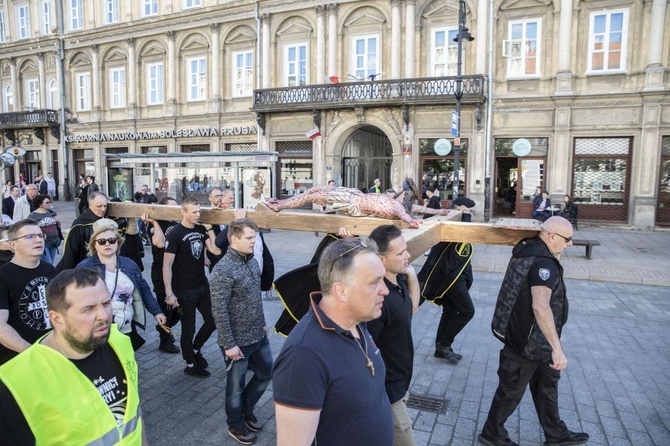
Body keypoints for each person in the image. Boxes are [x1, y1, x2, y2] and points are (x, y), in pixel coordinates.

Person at [0, 268, 146, 444]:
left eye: (106, 303)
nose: (104, 316)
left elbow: (134, 412)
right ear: (57, 319)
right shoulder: (15, 383)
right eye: (88, 309)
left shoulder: (120, 341)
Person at [272, 237, 394, 446]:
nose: (385, 290)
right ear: (341, 291)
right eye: (374, 282)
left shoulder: (358, 321)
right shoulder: (303, 355)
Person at [478, 217, 588, 446]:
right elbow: (540, 306)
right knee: (510, 391)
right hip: (526, 341)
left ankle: (556, 434)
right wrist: (558, 349)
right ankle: (492, 434)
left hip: (538, 340)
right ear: (551, 237)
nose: (570, 244)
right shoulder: (543, 264)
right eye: (567, 239)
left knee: (547, 385)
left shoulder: (528, 249)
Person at [211, 218, 273, 445]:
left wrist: (263, 323)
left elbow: (255, 299)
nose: (253, 242)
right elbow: (218, 309)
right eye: (249, 238)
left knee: (266, 373)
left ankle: (246, 410)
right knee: (235, 388)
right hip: (237, 343)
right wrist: (229, 344)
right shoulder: (223, 270)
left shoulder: (252, 262)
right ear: (234, 239)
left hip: (258, 334)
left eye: (254, 237)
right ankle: (235, 425)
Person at [76, 219, 166, 350]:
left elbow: (143, 288)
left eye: (112, 240)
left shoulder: (129, 265)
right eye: (102, 241)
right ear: (94, 244)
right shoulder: (84, 268)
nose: (107, 244)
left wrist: (157, 312)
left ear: (118, 242)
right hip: (98, 330)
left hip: (125, 329)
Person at [367, 225, 420, 446]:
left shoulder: (398, 281)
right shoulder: (377, 299)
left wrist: (411, 275)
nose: (407, 256)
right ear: (381, 260)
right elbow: (366, 351)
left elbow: (412, 308)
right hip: (387, 388)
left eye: (405, 249)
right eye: (400, 253)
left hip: (402, 380)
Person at [163, 196, 220, 377]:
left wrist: (209, 229)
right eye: (194, 212)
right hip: (184, 289)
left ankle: (196, 349)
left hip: (202, 285)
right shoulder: (175, 234)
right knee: (189, 328)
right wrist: (169, 293)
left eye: (199, 212)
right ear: (183, 212)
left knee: (213, 320)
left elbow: (215, 250)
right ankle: (190, 364)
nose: (197, 215)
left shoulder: (200, 229)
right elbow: (167, 266)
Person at [419, 198, 476, 364]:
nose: (470, 214)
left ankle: (440, 349)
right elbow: (462, 233)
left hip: (454, 276)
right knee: (467, 311)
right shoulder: (451, 222)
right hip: (449, 278)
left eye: (470, 212)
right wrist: (464, 215)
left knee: (450, 310)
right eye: (468, 211)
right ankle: (444, 344)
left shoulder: (456, 221)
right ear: (459, 208)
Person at [0, 219, 56, 365]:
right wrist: (32, 352)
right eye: (30, 237)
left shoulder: (49, 269)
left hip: (53, 352)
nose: (38, 240)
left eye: (40, 235)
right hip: (18, 359)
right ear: (13, 245)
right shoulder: (3, 276)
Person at [145, 197, 181, 354]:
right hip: (161, 271)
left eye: (176, 206)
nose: (175, 209)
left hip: (176, 271)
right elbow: (160, 243)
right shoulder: (155, 224)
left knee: (179, 308)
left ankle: (165, 328)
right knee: (167, 308)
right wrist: (154, 223)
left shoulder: (176, 223)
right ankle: (164, 341)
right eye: (171, 207)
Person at [56, 192, 108, 272]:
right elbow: (71, 253)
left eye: (105, 206)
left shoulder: (106, 220)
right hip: (85, 269)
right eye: (99, 206)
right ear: (90, 205)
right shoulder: (80, 225)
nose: (103, 209)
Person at [27, 194, 62, 265]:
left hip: (54, 242)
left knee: (52, 261)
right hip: (43, 243)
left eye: (49, 202)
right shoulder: (33, 215)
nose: (49, 204)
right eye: (47, 202)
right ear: (40, 204)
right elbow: (29, 229)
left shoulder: (51, 212)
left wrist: (58, 221)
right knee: (48, 263)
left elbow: (58, 226)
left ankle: (49, 275)